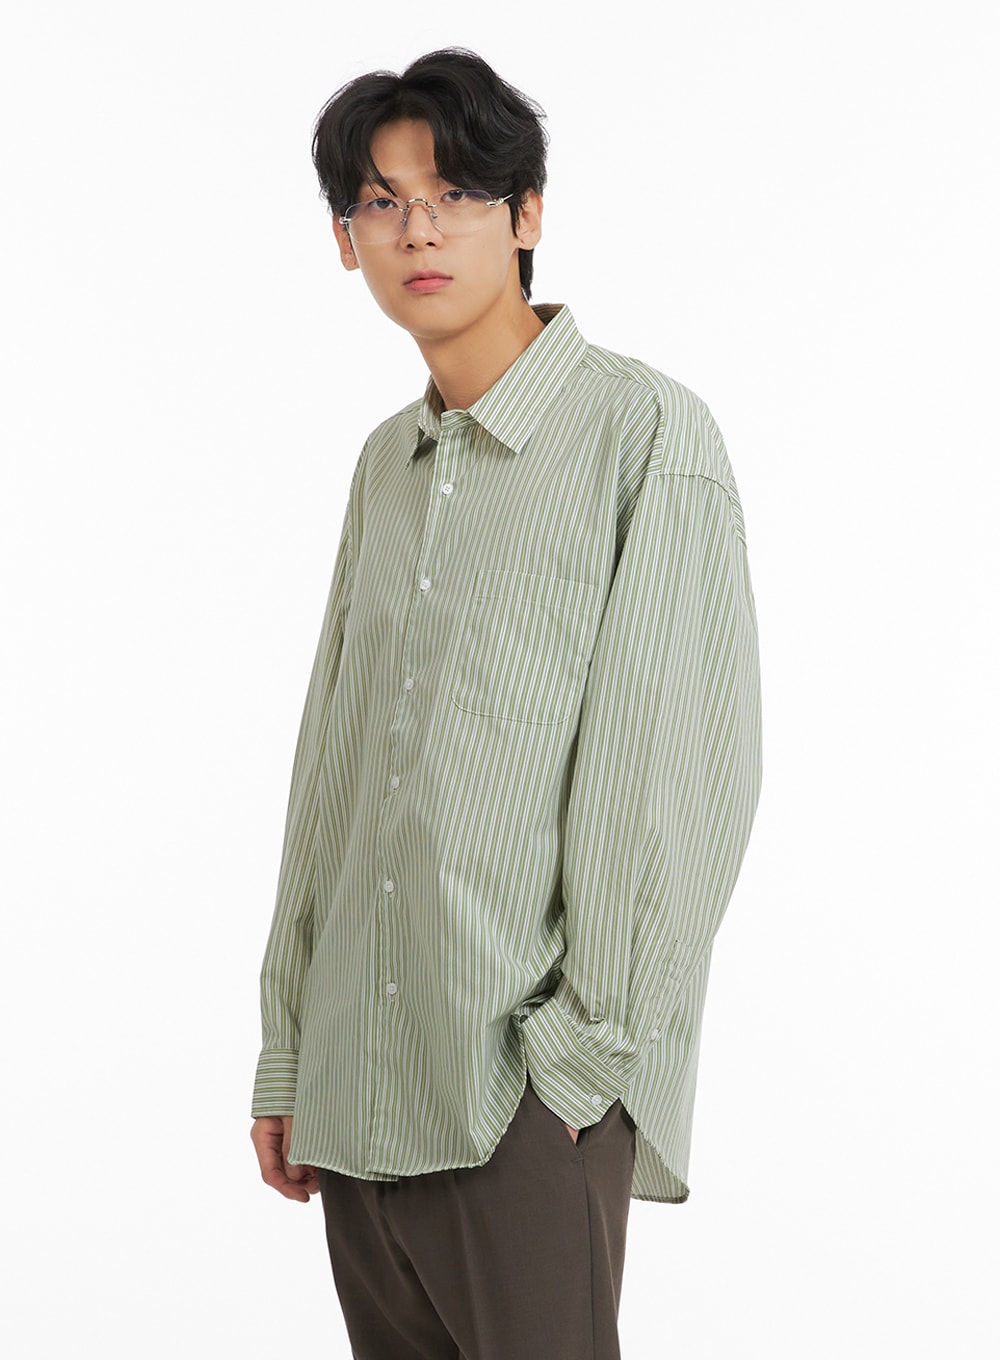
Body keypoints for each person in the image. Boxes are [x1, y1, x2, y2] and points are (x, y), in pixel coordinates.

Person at [251, 48, 761, 1360]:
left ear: (527, 214)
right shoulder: (388, 465)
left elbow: (671, 776)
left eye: (456, 194)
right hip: (356, 1101)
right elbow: (333, 769)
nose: (417, 229)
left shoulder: (645, 436)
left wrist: (579, 1064)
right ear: (345, 240)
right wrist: (289, 1049)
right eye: (381, 202)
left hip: (520, 1103)